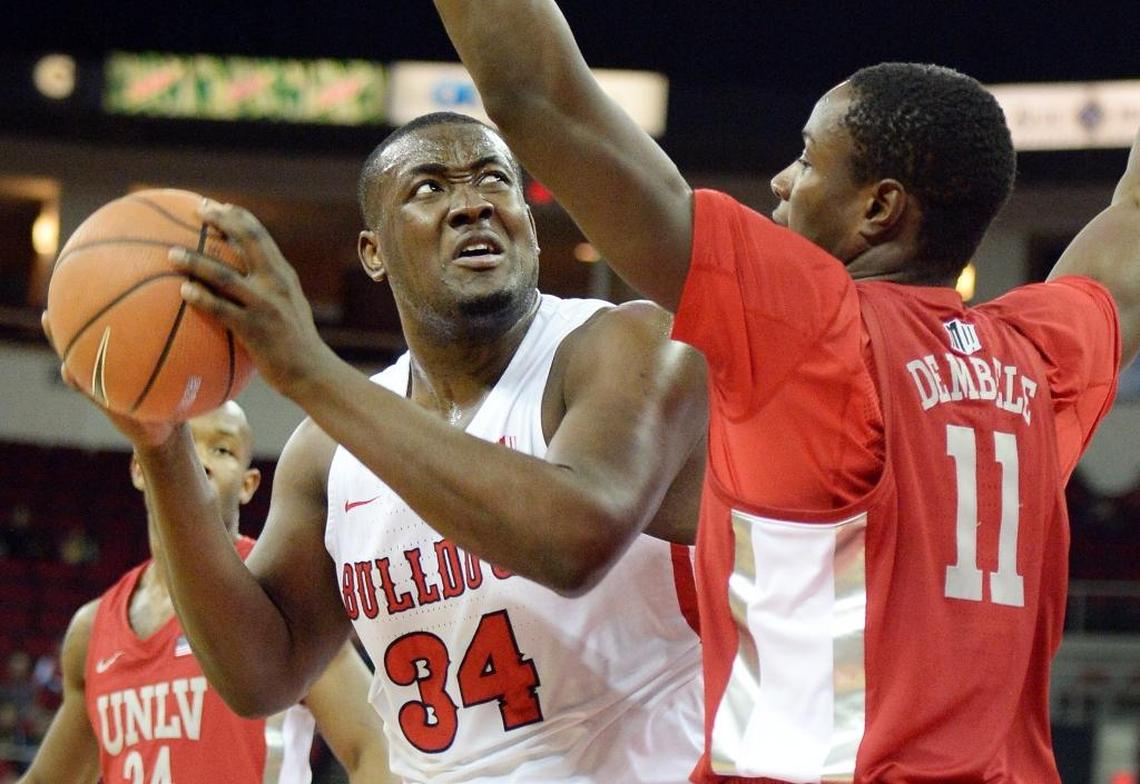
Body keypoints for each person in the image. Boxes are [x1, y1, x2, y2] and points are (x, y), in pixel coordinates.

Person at [431, 3, 1140, 781]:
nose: (781, 178)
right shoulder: (1039, 361)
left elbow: (538, 95)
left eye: (806, 160)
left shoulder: (814, 331)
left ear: (879, 208)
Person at [46, 112, 708, 781]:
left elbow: (573, 540)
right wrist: (161, 445)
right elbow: (260, 678)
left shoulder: (633, 346)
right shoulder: (326, 455)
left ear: (529, 226)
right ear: (374, 253)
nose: (471, 204)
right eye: (428, 188)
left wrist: (311, 370)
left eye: (494, 181)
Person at [17, 402, 393, 784]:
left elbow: (375, 751)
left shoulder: (278, 590)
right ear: (137, 468)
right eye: (183, 442)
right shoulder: (92, 628)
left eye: (222, 449)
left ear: (248, 485)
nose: (199, 461)